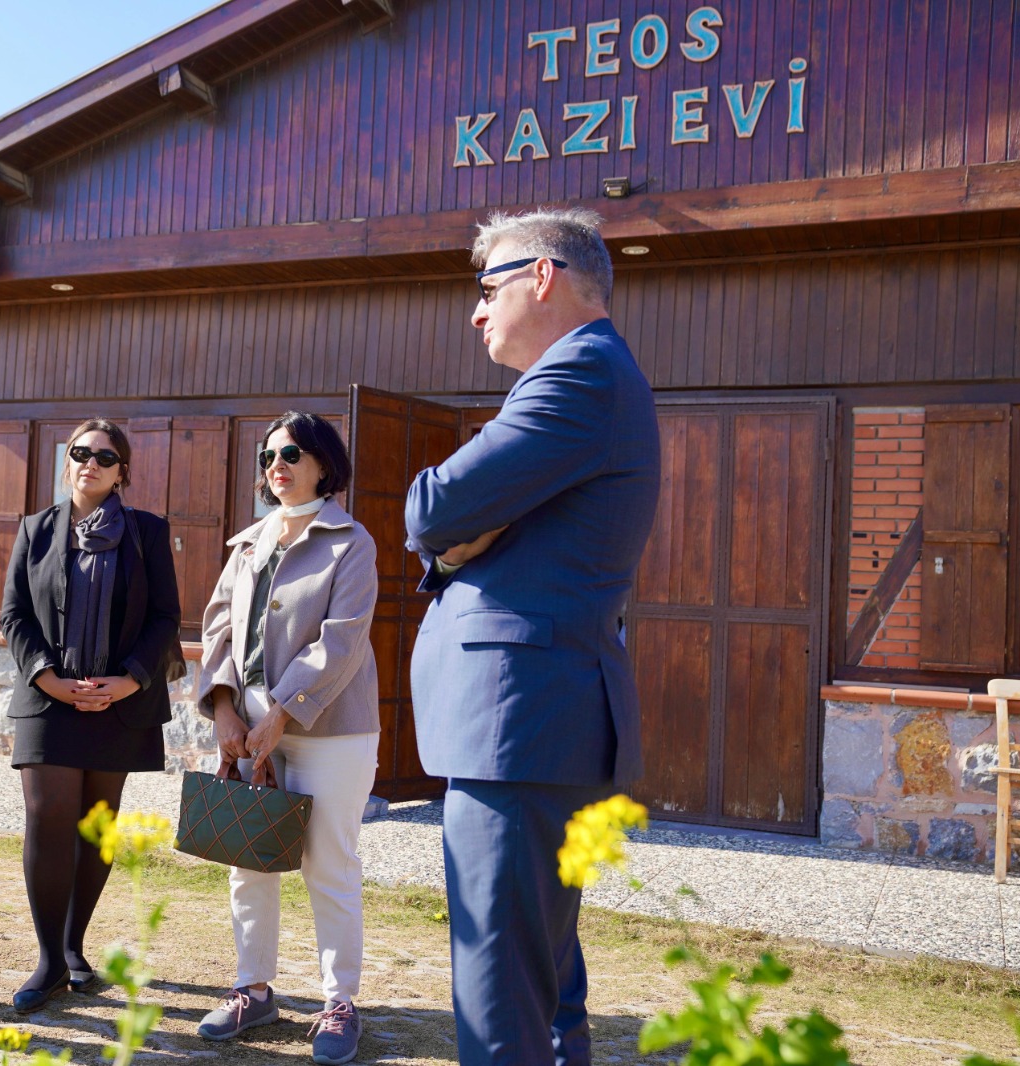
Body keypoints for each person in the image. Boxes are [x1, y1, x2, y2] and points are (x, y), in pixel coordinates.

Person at [403, 208, 661, 1066]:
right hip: (534, 726)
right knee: (543, 993)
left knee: (500, 995)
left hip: (519, 729)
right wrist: (462, 535)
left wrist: (458, 531)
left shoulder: (578, 374)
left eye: (487, 288)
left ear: (540, 276)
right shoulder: (587, 378)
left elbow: (433, 506)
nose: (477, 312)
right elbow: (457, 524)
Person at [195, 412, 380, 1066]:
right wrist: (222, 708)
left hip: (330, 733)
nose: (278, 463)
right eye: (270, 454)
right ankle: (253, 989)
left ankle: (338, 1003)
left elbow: (343, 639)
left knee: (329, 866)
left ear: (324, 465)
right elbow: (217, 629)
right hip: (246, 734)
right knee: (251, 862)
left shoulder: (351, 542)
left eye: (293, 453)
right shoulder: (247, 544)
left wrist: (281, 711)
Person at [0, 418, 181, 1013]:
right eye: (81, 453)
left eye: (106, 456)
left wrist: (128, 680)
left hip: (120, 701)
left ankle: (74, 947)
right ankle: (49, 961)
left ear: (122, 470)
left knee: (95, 827)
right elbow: (15, 615)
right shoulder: (36, 529)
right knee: (48, 814)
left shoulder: (148, 533)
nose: (91, 463)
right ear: (67, 461)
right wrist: (47, 677)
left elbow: (164, 617)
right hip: (48, 696)